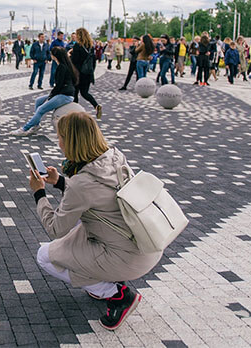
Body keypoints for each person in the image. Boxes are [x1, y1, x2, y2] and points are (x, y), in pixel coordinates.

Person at [30, 111, 161, 331]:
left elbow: (55, 229)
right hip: (146, 242)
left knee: (46, 256)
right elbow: (99, 195)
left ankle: (117, 295)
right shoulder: (114, 156)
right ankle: (109, 279)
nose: (59, 143)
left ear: (71, 141)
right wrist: (61, 182)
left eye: (60, 137)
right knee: (77, 236)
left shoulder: (81, 184)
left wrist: (39, 194)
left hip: (126, 257)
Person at [9, 47, 78, 137]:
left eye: (51, 54)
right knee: (38, 101)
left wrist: (50, 97)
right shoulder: (65, 65)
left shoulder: (62, 67)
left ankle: (24, 129)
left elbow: (59, 86)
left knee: (41, 109)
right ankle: (36, 125)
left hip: (65, 95)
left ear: (54, 56)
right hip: (63, 93)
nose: (50, 55)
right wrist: (51, 96)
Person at [71, 28, 102, 119]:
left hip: (78, 74)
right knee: (85, 93)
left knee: (75, 93)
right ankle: (96, 105)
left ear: (79, 36)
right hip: (88, 74)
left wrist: (70, 55)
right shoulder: (91, 47)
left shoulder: (77, 46)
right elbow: (93, 61)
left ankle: (75, 112)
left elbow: (75, 61)